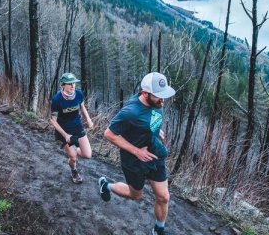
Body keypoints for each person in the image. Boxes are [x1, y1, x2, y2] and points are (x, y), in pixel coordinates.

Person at [98, 72, 176, 235]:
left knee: (164, 197)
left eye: (164, 95)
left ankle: (158, 229)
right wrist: (136, 151)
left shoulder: (156, 104)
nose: (163, 100)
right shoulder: (131, 112)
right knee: (136, 195)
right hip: (134, 160)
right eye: (158, 96)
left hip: (155, 154)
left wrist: (156, 130)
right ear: (145, 93)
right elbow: (109, 134)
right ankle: (107, 185)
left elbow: (149, 119)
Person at [50, 72, 94, 184]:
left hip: (77, 127)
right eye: (69, 84)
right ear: (63, 85)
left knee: (87, 155)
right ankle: (74, 170)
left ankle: (73, 151)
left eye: (74, 83)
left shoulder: (79, 94)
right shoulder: (56, 100)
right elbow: (53, 121)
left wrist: (88, 119)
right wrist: (66, 135)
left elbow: (82, 107)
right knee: (73, 158)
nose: (73, 86)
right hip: (64, 130)